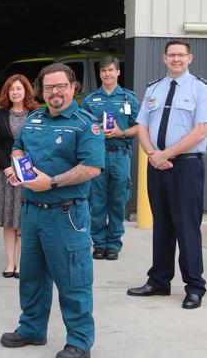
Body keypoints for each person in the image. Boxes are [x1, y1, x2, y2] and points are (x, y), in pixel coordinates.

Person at [0, 63, 104, 358]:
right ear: (41, 90)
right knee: (32, 276)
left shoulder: (86, 124)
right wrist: (18, 167)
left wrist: (52, 182)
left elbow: (92, 167)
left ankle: (80, 342)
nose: (55, 92)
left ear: (73, 87)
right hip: (31, 211)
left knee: (73, 279)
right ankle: (32, 328)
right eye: (48, 87)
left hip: (66, 214)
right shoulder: (33, 119)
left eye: (61, 86)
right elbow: (18, 148)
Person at [127, 40, 207, 310]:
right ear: (164, 58)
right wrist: (153, 154)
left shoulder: (199, 88)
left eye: (180, 55)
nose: (176, 59)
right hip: (157, 165)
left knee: (187, 227)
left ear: (190, 58)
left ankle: (195, 286)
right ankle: (159, 280)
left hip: (186, 166)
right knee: (162, 225)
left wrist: (166, 154)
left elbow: (201, 131)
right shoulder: (154, 88)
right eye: (171, 55)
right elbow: (142, 126)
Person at [81, 56, 140, 261]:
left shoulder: (128, 98)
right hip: (97, 156)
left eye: (110, 70)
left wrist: (121, 132)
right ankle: (99, 243)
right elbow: (83, 128)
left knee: (117, 200)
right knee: (97, 202)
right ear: (100, 74)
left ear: (118, 72)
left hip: (120, 155)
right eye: (103, 71)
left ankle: (113, 243)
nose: (107, 74)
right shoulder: (90, 100)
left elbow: (139, 126)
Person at [0, 74, 38, 278]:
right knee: (9, 220)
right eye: (11, 89)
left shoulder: (36, 114)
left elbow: (40, 143)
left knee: (24, 220)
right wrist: (8, 169)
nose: (15, 92)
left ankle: (23, 264)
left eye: (19, 88)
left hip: (28, 173)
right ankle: (10, 264)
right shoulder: (1, 115)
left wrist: (27, 168)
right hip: (5, 174)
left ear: (26, 90)